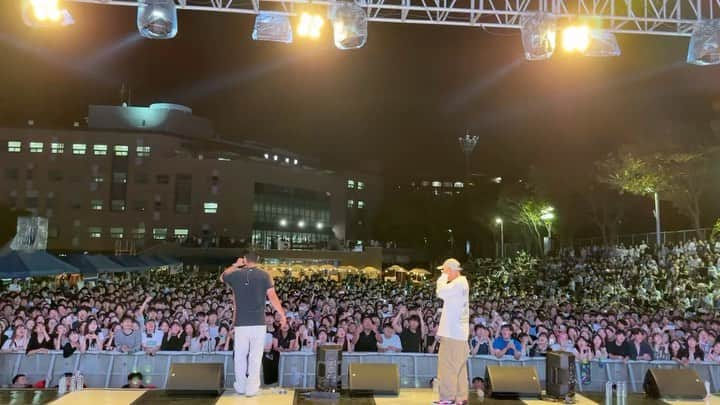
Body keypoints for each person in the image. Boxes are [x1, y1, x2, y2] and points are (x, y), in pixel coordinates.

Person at [221, 251, 286, 397]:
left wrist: (235, 265)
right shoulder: (265, 275)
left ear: (244, 260)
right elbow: (272, 296)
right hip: (258, 322)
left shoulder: (235, 274)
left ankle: (240, 386)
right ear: (258, 260)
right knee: (255, 357)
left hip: (241, 323)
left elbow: (222, 276)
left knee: (240, 356)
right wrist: (282, 314)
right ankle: (251, 388)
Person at [435, 258, 470, 405]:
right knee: (459, 368)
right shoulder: (461, 284)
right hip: (458, 333)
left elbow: (440, 292)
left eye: (445, 270)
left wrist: (442, 277)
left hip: (452, 333)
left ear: (451, 270)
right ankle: (460, 396)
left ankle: (448, 397)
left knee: (447, 366)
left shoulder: (457, 284)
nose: (444, 273)